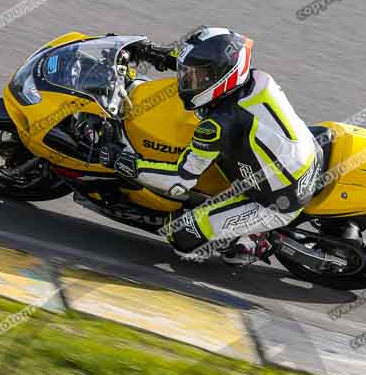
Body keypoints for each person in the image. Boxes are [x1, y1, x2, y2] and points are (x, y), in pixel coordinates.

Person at [100, 27, 322, 264]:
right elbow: (209, 69)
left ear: (222, 76)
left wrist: (122, 162)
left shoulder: (217, 125)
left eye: (195, 77)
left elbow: (178, 181)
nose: (187, 81)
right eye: (188, 73)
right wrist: (153, 53)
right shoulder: (255, 78)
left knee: (182, 236)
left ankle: (251, 242)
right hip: (304, 154)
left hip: (276, 201)